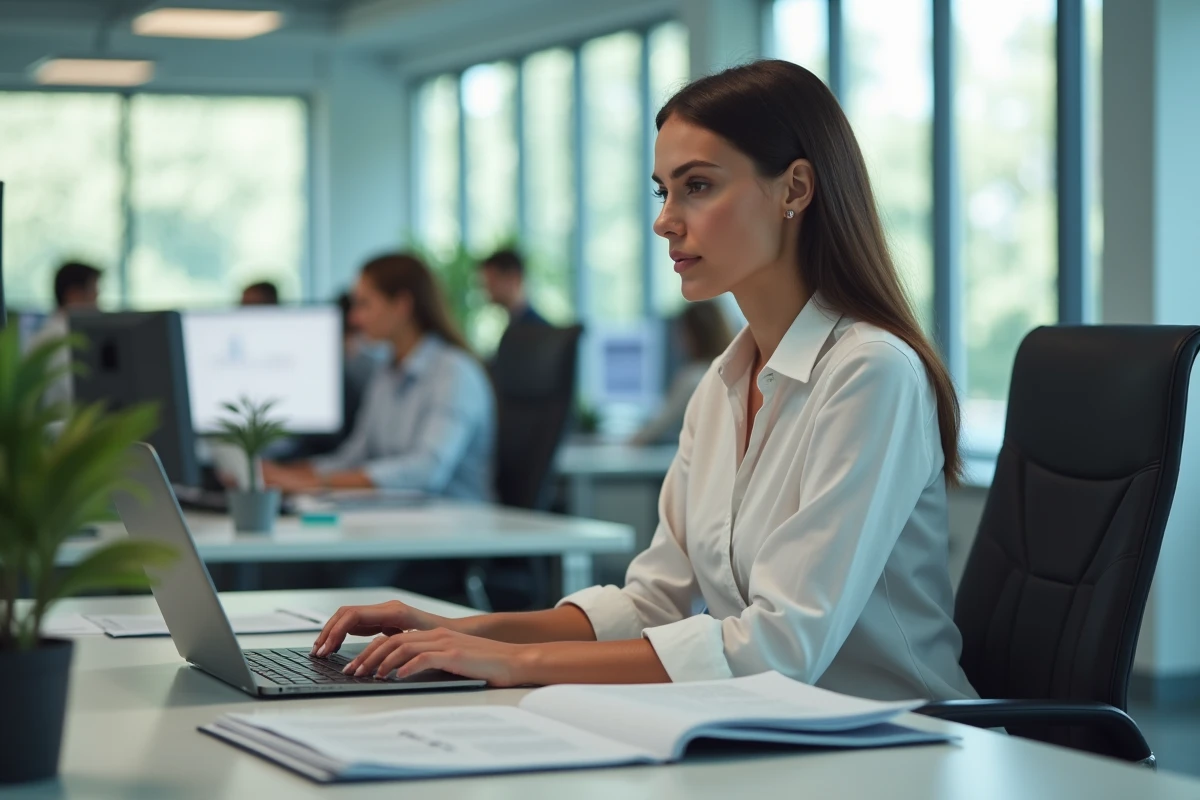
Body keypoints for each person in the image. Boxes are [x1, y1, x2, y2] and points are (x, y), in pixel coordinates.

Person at [309, 60, 978, 703]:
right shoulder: (720, 384)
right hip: (762, 733)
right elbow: (651, 604)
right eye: (663, 191)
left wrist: (513, 663)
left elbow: (778, 646)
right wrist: (455, 629)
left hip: (890, 743)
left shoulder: (870, 372)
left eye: (698, 186)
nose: (665, 220)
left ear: (794, 190)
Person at [262, 254, 495, 500]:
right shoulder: (387, 371)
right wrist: (283, 475)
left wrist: (313, 483)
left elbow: (426, 471)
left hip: (457, 524)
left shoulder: (454, 373)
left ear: (401, 305)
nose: (354, 318)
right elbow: (355, 456)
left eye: (364, 304)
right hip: (398, 517)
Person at [630, 300, 734, 445]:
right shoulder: (735, 371)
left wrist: (632, 441)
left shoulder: (693, 377)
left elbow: (657, 427)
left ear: (694, 334)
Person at [27, 261, 103, 408]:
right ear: (73, 296)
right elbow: (79, 395)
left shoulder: (51, 332)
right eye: (94, 295)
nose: (99, 306)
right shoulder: (59, 339)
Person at [478, 249, 546, 327]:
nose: (487, 290)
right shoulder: (516, 325)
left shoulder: (536, 330)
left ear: (514, 278)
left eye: (492, 283)